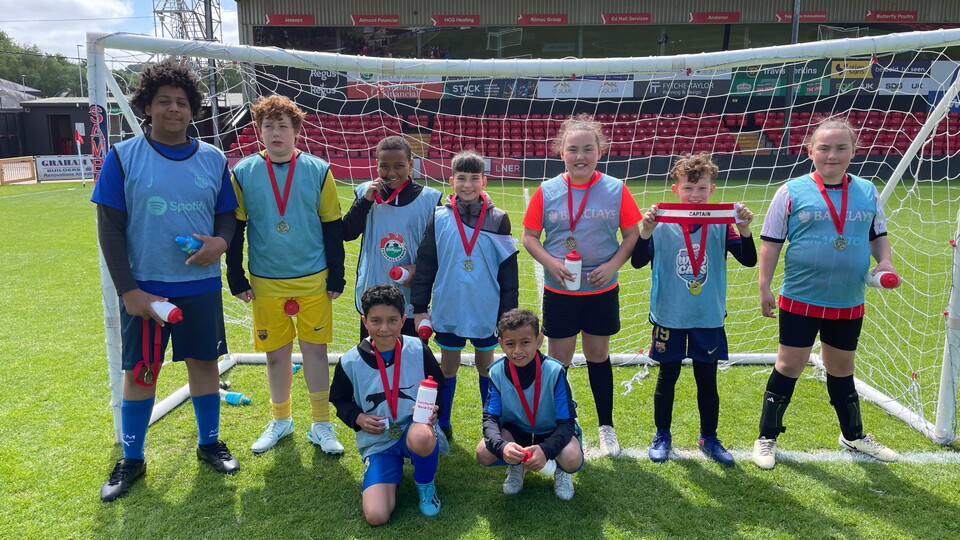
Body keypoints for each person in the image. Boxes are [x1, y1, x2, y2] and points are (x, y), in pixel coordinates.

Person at [92, 59, 240, 502]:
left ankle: (209, 442)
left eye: (181, 102)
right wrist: (129, 291)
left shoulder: (214, 158)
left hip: (200, 286)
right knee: (141, 371)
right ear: (147, 107)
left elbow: (227, 216)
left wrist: (221, 242)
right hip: (146, 291)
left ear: (193, 109)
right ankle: (132, 459)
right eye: (163, 101)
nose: (173, 109)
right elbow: (109, 227)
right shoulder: (122, 157)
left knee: (203, 364)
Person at [752, 118, 900, 469]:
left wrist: (886, 260)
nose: (832, 155)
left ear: (854, 151)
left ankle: (853, 435)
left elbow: (877, 234)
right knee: (790, 364)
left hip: (848, 299)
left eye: (840, 148)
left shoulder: (867, 190)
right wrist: (764, 286)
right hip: (801, 297)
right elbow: (771, 244)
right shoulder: (790, 191)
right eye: (824, 148)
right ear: (810, 151)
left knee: (842, 367)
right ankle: (766, 437)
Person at [225, 95, 345, 455]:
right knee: (276, 357)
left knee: (316, 353)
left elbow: (332, 226)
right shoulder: (243, 172)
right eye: (268, 126)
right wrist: (236, 276)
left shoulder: (319, 169)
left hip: (313, 280)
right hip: (265, 282)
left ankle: (321, 424)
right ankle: (281, 419)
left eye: (283, 125)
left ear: (297, 130)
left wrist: (336, 276)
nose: (276, 132)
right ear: (258, 130)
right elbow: (237, 228)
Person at [521, 114, 641, 457]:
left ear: (600, 152)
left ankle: (606, 427)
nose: (580, 156)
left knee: (598, 356)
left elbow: (632, 234)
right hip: (561, 291)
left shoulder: (616, 189)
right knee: (558, 362)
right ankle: (560, 426)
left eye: (588, 149)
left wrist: (612, 265)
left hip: (601, 290)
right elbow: (530, 237)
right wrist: (551, 264)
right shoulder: (547, 190)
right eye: (573, 149)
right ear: (561, 152)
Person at [631, 153, 756, 466]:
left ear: (712, 190)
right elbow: (637, 261)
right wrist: (645, 231)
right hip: (669, 314)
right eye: (689, 188)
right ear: (676, 190)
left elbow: (749, 259)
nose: (695, 195)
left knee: (707, 380)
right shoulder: (662, 221)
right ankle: (662, 434)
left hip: (707, 315)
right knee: (667, 376)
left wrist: (744, 229)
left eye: (702, 188)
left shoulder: (721, 223)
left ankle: (708, 437)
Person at [412, 150, 519, 441]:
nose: (468, 184)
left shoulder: (499, 219)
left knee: (487, 366)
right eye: (462, 178)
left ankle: (490, 424)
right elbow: (426, 264)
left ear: (484, 181)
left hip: (486, 307)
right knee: (449, 364)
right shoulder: (439, 216)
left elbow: (508, 273)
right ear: (451, 180)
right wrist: (420, 306)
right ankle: (443, 422)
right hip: (450, 305)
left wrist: (508, 316)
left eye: (474, 178)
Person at [329, 284, 448, 525]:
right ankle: (382, 471)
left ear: (403, 320)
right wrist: (359, 418)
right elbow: (339, 400)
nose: (384, 328)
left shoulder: (417, 349)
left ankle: (425, 486)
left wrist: (435, 411)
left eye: (392, 320)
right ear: (365, 321)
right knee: (376, 516)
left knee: (422, 437)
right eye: (376, 321)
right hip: (379, 440)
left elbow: (440, 389)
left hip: (413, 428)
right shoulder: (350, 361)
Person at [475, 309, 583, 500]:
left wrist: (546, 449)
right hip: (517, 432)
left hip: (553, 431)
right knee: (484, 452)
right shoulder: (497, 373)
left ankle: (561, 470)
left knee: (572, 458)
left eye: (525, 342)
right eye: (510, 344)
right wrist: (502, 447)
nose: (517, 351)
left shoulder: (554, 371)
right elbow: (490, 419)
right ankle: (517, 464)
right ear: (501, 344)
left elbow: (566, 424)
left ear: (539, 341)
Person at [343, 136, 442, 339]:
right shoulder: (365, 193)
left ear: (411, 164)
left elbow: (440, 248)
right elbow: (347, 233)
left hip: (413, 294)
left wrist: (420, 270)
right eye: (384, 166)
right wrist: (364, 202)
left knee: (411, 357)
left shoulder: (430, 198)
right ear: (376, 165)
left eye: (399, 165)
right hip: (373, 290)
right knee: (374, 356)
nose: (391, 172)